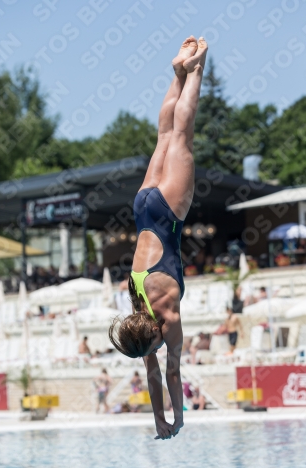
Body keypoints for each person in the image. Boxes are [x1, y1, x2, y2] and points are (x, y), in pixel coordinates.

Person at [108, 36, 208, 440]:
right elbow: (154, 371)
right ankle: (176, 72)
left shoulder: (167, 317)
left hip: (167, 212)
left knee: (181, 134)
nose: (155, 354)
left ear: (151, 335)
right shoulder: (137, 308)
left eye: (152, 349)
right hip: (143, 206)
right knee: (164, 136)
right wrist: (159, 421)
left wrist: (177, 418)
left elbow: (171, 371)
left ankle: (196, 68)